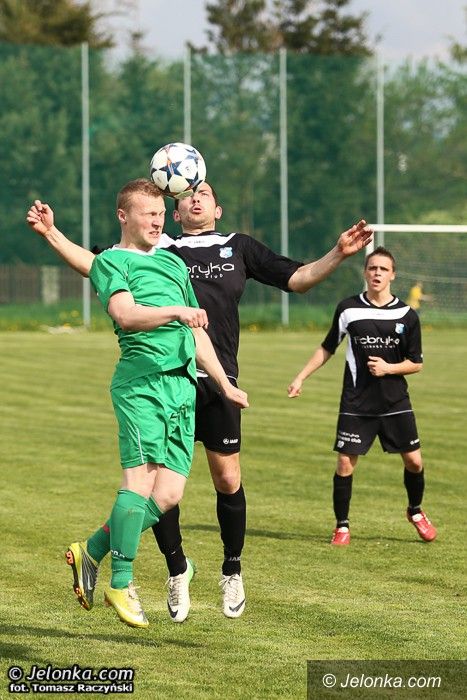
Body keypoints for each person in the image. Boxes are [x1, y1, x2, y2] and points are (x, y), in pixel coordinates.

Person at [26, 180, 373, 621]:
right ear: (173, 210)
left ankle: (208, 567)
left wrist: (338, 253)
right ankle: (149, 576)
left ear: (217, 207)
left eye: (202, 191)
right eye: (177, 198)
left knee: (182, 490)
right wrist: (53, 234)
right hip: (148, 380)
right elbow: (101, 273)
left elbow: (295, 279)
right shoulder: (151, 251)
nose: (190, 199)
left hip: (199, 377)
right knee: (143, 482)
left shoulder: (227, 249)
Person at [26, 179, 248, 629]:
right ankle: (120, 583)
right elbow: (126, 315)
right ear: (123, 216)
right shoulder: (112, 262)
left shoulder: (172, 262)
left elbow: (196, 333)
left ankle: (91, 550)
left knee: (168, 495)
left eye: (161, 214)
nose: (157, 221)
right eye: (148, 213)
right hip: (142, 384)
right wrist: (176, 312)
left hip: (182, 388)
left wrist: (224, 384)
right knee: (139, 484)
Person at [288, 246, 437, 546]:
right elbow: (327, 347)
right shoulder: (348, 309)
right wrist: (301, 377)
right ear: (365, 273)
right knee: (345, 463)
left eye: (383, 269)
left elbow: (416, 363)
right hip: (357, 402)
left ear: (393, 275)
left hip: (395, 402)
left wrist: (388, 368)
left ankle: (416, 511)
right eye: (372, 268)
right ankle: (342, 526)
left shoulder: (407, 315)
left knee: (414, 462)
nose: (377, 273)